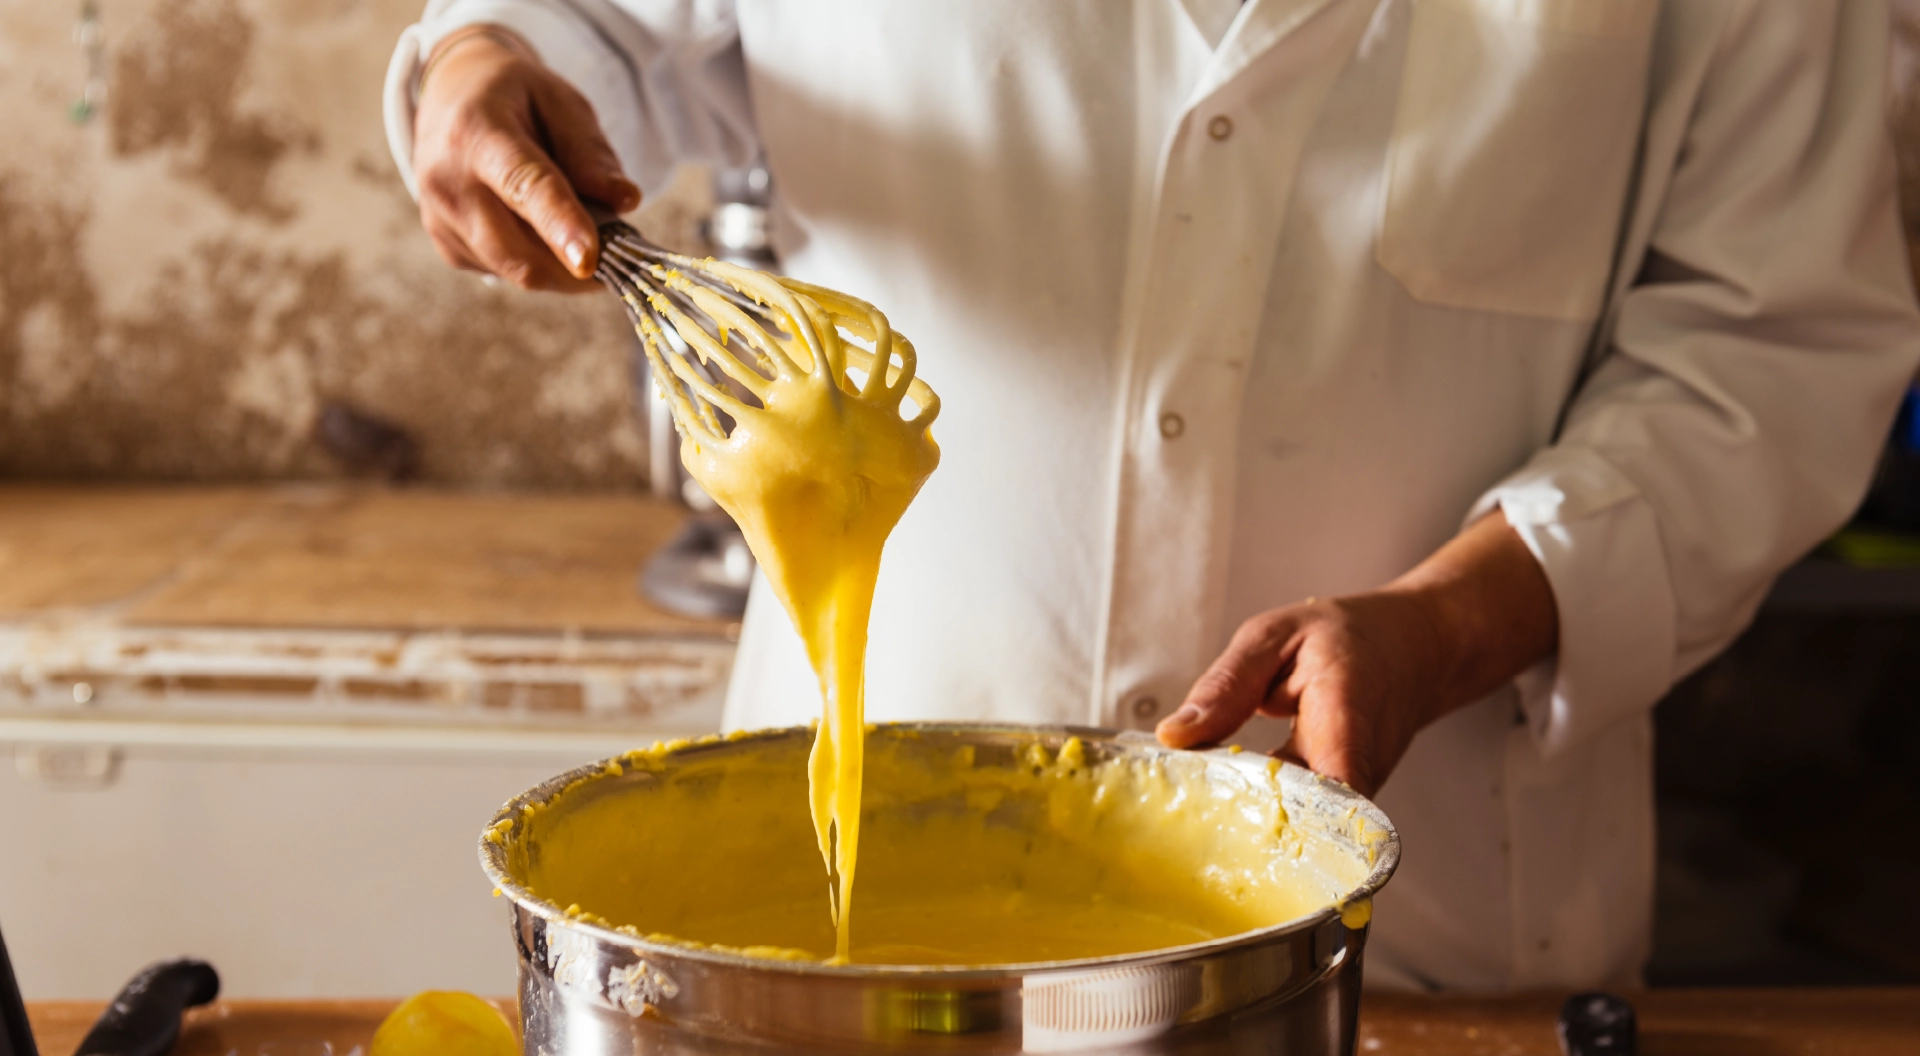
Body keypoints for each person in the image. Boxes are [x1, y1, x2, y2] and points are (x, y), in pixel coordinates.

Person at [383, 0, 1920, 989]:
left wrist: (1454, 622)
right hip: (835, 909)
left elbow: (1771, 340)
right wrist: (477, 70)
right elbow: (581, 26)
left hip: (1430, 931)